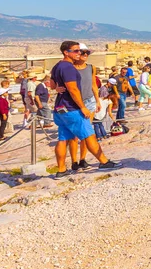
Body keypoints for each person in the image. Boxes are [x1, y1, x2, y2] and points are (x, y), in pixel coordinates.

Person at [50, 41, 121, 179]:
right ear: (66, 52)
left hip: (60, 107)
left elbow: (52, 84)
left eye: (80, 51)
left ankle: (61, 170)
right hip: (72, 108)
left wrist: (58, 88)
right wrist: (82, 107)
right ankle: (104, 162)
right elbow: (73, 89)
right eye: (76, 51)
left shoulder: (57, 66)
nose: (79, 53)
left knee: (63, 138)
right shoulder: (68, 68)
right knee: (89, 135)